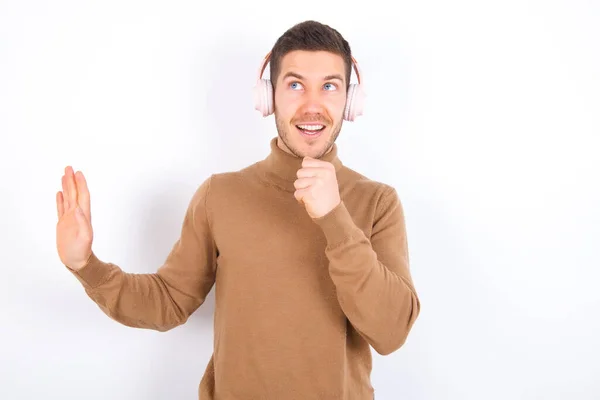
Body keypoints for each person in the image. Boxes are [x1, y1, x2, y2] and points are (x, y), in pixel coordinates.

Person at [56, 20, 420, 400]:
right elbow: (168, 301)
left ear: (350, 100)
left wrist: (335, 218)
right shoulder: (220, 195)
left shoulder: (378, 202)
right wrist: (86, 265)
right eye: (295, 85)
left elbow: (391, 331)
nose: (312, 106)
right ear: (268, 95)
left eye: (329, 86)